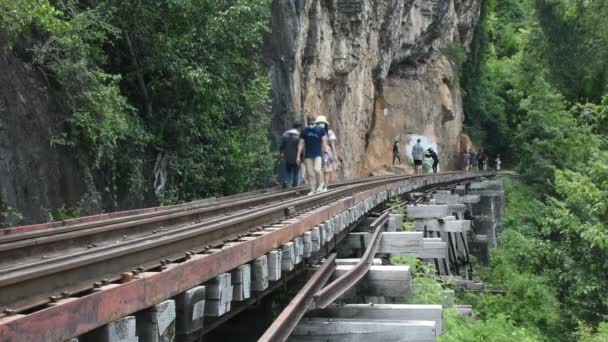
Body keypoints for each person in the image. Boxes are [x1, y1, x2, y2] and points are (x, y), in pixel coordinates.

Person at [297, 116, 328, 194]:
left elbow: (324, 141)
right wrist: (298, 156)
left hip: (318, 153)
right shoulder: (304, 131)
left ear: (315, 121)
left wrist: (325, 151)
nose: (311, 123)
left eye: (312, 122)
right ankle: (312, 189)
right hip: (308, 154)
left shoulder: (320, 129)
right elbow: (301, 144)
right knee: (310, 173)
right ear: (307, 122)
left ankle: (320, 185)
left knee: (317, 169)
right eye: (310, 122)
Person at [315, 116, 338, 191]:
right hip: (318, 151)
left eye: (322, 123)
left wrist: (335, 155)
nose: (321, 124)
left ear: (325, 124)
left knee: (327, 170)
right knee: (319, 170)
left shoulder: (329, 132)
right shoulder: (314, 132)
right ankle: (320, 185)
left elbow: (332, 144)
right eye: (319, 123)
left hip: (327, 153)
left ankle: (325, 186)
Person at [279, 123, 302, 188]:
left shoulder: (285, 135)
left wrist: (281, 153)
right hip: (296, 156)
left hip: (287, 156)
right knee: (296, 172)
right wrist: (301, 157)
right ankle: (294, 186)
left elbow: (281, 146)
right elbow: (301, 147)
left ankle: (286, 182)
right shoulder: (299, 136)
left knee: (287, 171)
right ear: (298, 128)